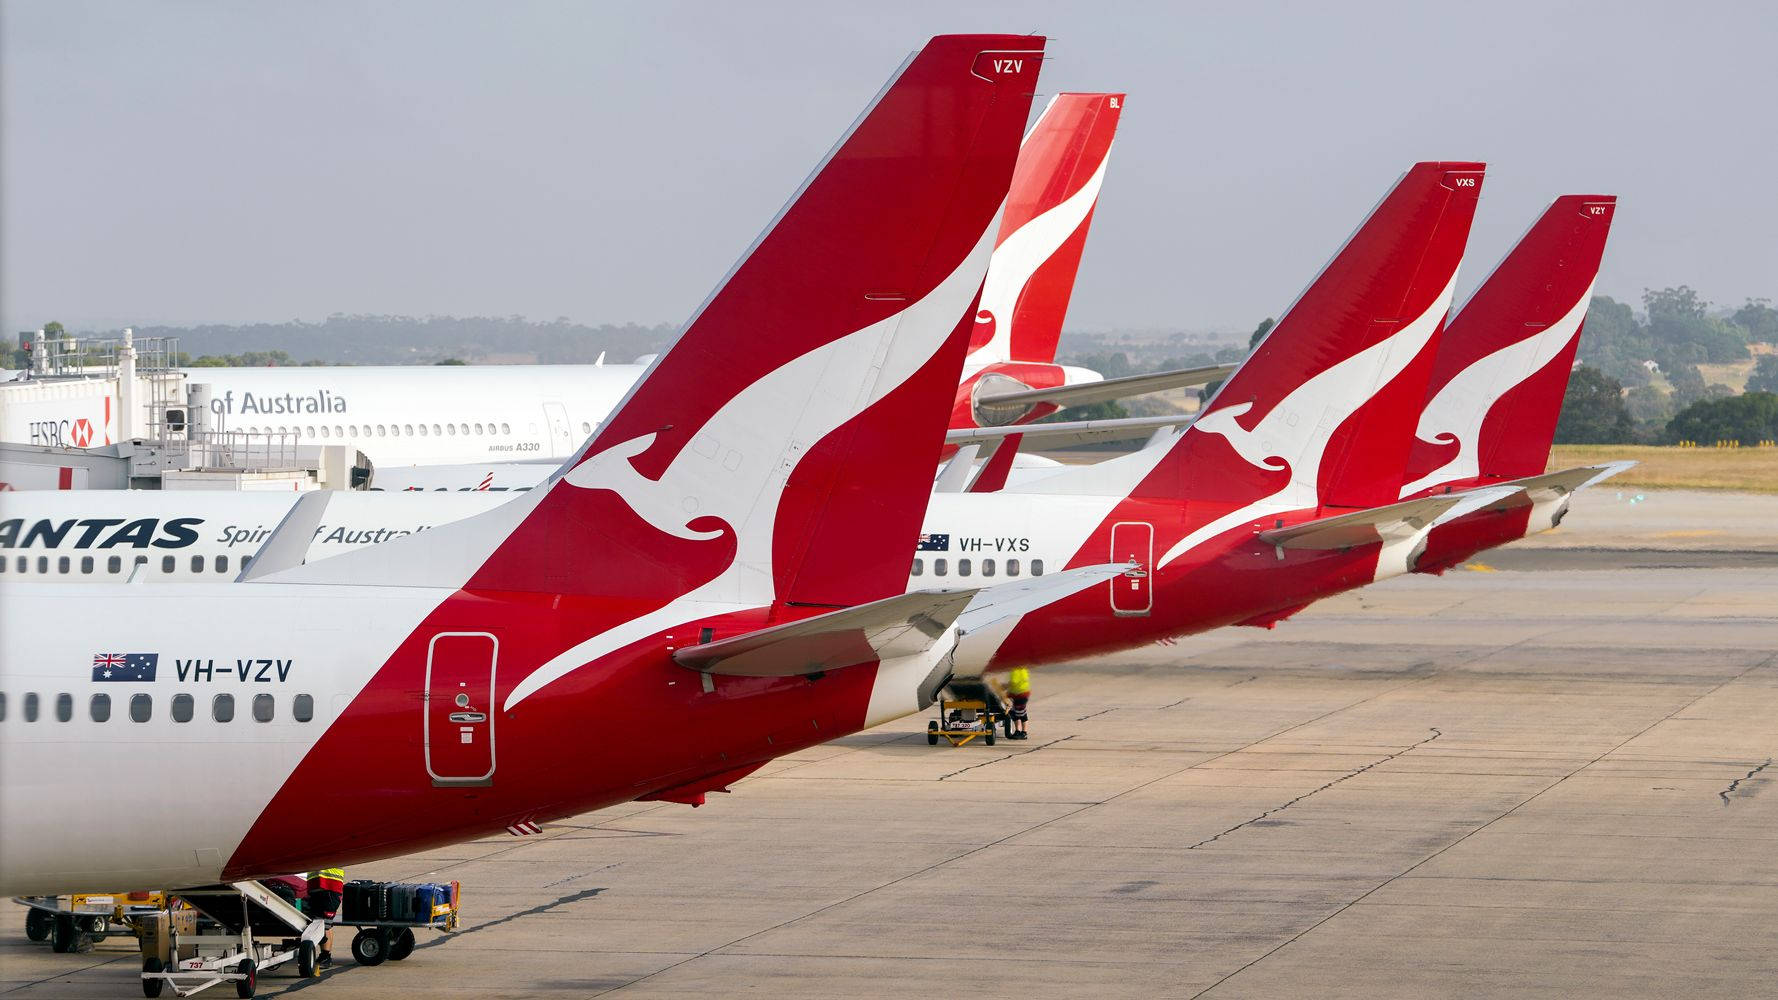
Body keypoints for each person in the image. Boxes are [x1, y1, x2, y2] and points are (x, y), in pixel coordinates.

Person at [304, 867, 345, 967]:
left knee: (325, 924)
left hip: (330, 886)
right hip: (316, 886)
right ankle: (325, 955)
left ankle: (326, 956)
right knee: (322, 922)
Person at [1007, 667, 1031, 739]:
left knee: (1021, 714)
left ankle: (1024, 733)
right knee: (1013, 713)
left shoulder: (1017, 670)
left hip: (1021, 694)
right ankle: (1018, 731)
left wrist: (1005, 686)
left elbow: (1014, 682)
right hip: (1016, 694)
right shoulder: (1021, 669)